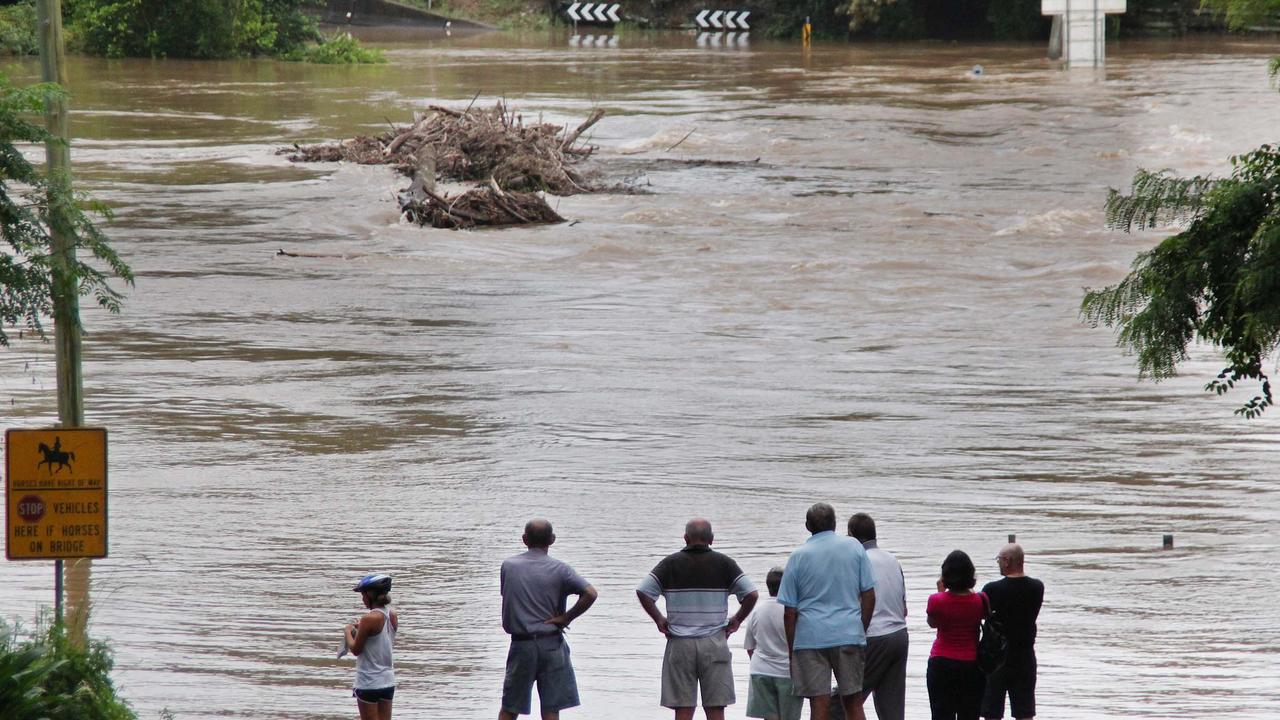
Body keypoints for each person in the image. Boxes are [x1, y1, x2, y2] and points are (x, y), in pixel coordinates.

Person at [636, 518, 759, 720]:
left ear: (685, 538)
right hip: (714, 642)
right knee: (716, 707)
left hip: (679, 643)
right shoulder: (725, 563)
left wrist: (659, 618)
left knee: (683, 708)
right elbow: (751, 594)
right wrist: (737, 619)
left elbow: (643, 591)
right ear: (711, 539)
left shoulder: (670, 564)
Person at [777, 503, 877, 720]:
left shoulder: (798, 557)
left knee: (818, 703)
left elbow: (789, 611)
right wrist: (860, 627)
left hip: (810, 639)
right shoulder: (854, 548)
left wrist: (791, 650)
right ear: (834, 524)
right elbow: (869, 594)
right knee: (853, 701)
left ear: (807, 526)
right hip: (849, 633)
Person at [499, 519, 598, 720]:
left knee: (510, 707)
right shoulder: (561, 569)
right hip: (551, 645)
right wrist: (566, 618)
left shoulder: (509, 566)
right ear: (552, 540)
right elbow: (590, 593)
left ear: (524, 539)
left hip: (522, 645)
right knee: (551, 709)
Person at [848, 513, 907, 720]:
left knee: (845, 700)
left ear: (852, 536)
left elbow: (851, 603)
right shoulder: (892, 560)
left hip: (874, 636)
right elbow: (904, 608)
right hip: (900, 635)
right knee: (892, 709)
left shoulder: (857, 561)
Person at [981, 544, 1044, 720]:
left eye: (999, 559)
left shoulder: (992, 589)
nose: (998, 563)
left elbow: (980, 612)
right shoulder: (1037, 587)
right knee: (1024, 712)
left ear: (1007, 561)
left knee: (992, 713)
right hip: (1025, 655)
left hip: (997, 657)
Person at [926, 551, 985, 720]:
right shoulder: (982, 600)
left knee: (941, 714)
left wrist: (940, 592)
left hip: (941, 663)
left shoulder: (936, 600)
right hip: (971, 664)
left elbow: (933, 623)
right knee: (970, 714)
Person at [744, 566, 802, 720]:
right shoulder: (793, 612)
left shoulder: (757, 611)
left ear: (768, 585)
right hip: (788, 672)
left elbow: (750, 647)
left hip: (761, 671)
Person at [345, 573, 398, 720]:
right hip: (387, 680)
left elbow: (355, 649)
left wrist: (348, 631)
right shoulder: (392, 615)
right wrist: (361, 628)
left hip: (368, 681)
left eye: (363, 595)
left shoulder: (368, 618)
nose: (362, 599)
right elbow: (378, 637)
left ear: (371, 595)